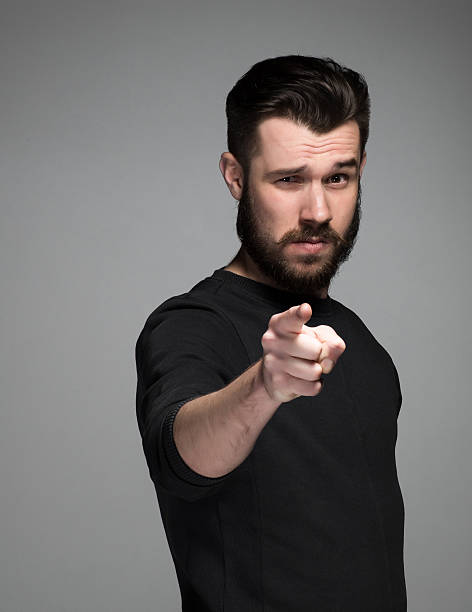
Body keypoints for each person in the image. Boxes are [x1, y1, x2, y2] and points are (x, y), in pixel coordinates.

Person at [135, 55, 406, 611]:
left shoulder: (360, 339)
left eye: (339, 177)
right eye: (289, 179)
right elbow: (179, 453)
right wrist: (266, 385)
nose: (318, 210)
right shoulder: (191, 323)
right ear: (235, 177)